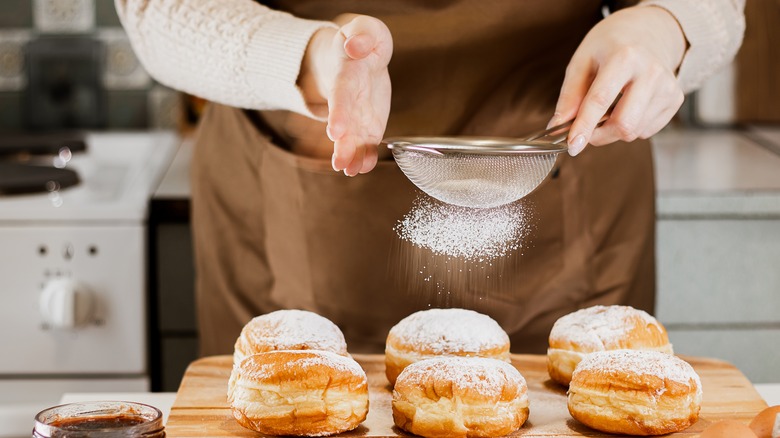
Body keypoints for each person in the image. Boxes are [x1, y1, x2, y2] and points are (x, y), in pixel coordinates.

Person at [116, 0, 745, 355]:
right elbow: (158, 10)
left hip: (562, 155)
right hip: (297, 153)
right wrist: (311, 62)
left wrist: (665, 26)